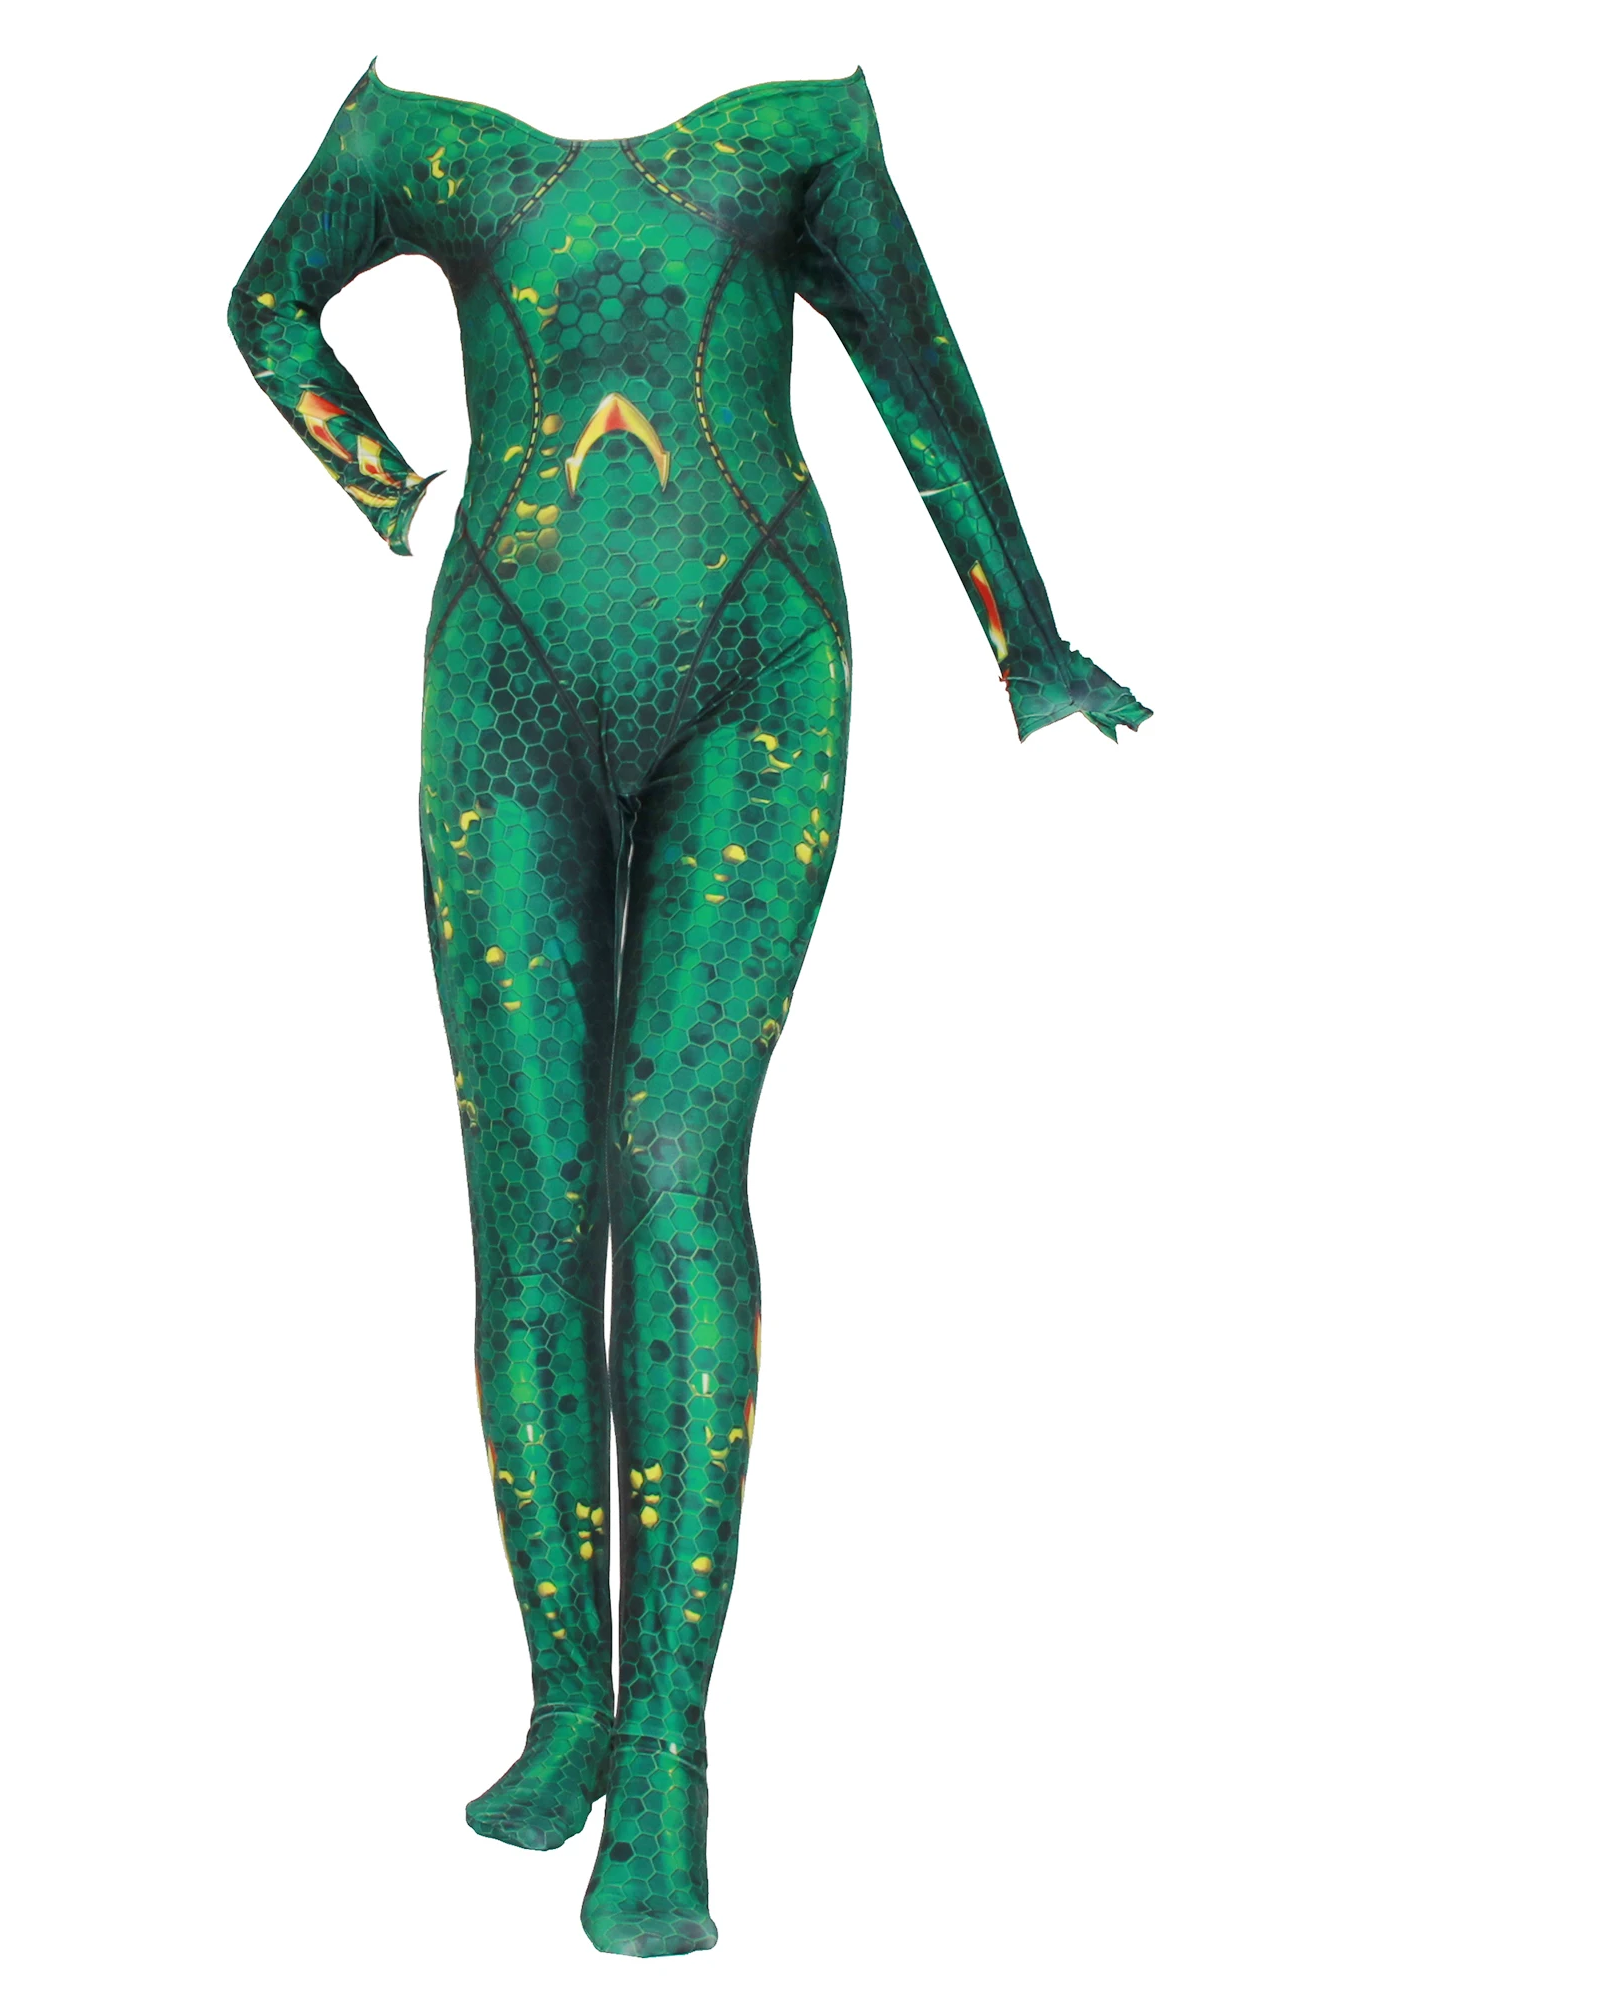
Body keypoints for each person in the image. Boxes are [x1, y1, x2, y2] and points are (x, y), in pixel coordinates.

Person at [227, 57, 1151, 1957]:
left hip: (755, 659)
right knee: (530, 1202)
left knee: (669, 1167)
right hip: (507, 678)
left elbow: (915, 371)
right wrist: (377, 475)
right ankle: (567, 1695)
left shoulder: (803, 127)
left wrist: (1027, 632)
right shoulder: (411, 132)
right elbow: (265, 300)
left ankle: (668, 1757)